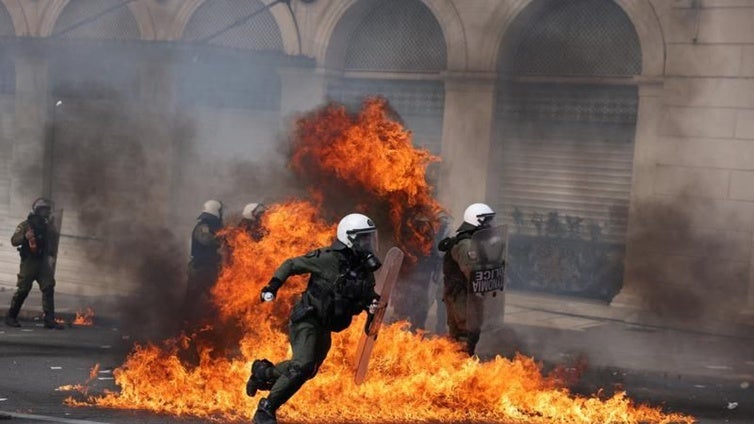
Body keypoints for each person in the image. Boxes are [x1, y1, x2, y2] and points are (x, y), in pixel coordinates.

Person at [245, 213, 382, 424]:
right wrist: (272, 287)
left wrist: (372, 306)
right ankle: (266, 409)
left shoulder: (364, 272)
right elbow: (291, 265)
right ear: (349, 238)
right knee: (302, 365)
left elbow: (365, 296)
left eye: (369, 238)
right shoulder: (328, 258)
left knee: (307, 370)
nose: (367, 243)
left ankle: (263, 373)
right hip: (307, 320)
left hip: (326, 327)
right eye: (363, 238)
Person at [438, 203, 497, 356]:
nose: (491, 226)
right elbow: (472, 271)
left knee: (471, 335)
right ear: (477, 221)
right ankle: (459, 370)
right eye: (488, 222)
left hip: (469, 296)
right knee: (463, 337)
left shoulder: (475, 242)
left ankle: (460, 368)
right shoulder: (465, 244)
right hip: (461, 297)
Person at [5, 198, 63, 329]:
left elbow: (52, 243)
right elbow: (14, 241)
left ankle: (49, 320)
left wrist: (52, 253)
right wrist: (25, 237)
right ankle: (11, 317)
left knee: (48, 287)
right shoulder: (26, 225)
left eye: (47, 210)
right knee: (23, 289)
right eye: (43, 209)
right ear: (37, 210)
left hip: (43, 262)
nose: (45, 212)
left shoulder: (48, 227)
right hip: (29, 262)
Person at [186, 200, 224, 317]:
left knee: (208, 297)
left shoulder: (209, 226)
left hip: (206, 267)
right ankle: (183, 323)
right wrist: (221, 238)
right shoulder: (203, 226)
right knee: (204, 297)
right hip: (201, 268)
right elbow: (207, 240)